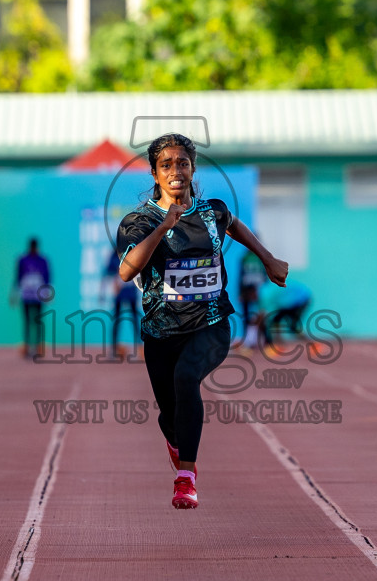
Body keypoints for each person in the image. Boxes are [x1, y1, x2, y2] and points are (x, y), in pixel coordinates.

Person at [116, 133, 289, 510]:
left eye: (183, 163)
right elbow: (127, 271)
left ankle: (186, 478)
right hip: (161, 331)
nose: (176, 171)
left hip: (211, 322)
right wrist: (165, 226)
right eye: (166, 165)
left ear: (193, 169)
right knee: (169, 416)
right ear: (155, 173)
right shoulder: (139, 221)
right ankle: (177, 444)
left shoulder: (213, 211)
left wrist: (268, 258)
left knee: (186, 378)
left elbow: (235, 226)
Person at [14, 238, 50, 359]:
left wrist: (48, 293)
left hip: (38, 295)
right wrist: (15, 293)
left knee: (38, 321)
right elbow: (18, 277)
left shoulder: (42, 260)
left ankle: (38, 346)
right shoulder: (23, 260)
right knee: (27, 321)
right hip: (26, 295)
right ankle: (28, 347)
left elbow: (47, 277)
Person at [260, 276, 312, 354]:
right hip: (293, 300)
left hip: (299, 300)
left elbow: (264, 313)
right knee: (278, 322)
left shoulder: (265, 292)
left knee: (291, 326)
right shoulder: (268, 288)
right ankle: (278, 344)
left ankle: (311, 344)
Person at [106, 247, 139, 359]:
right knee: (116, 321)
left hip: (131, 293)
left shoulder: (134, 251)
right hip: (119, 294)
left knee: (135, 321)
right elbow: (108, 272)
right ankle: (114, 350)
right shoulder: (115, 254)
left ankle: (139, 350)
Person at [236, 252, 265, 349]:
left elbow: (265, 273)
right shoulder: (245, 257)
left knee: (260, 313)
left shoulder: (261, 256)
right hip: (249, 289)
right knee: (248, 315)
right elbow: (241, 275)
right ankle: (248, 340)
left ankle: (261, 339)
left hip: (258, 288)